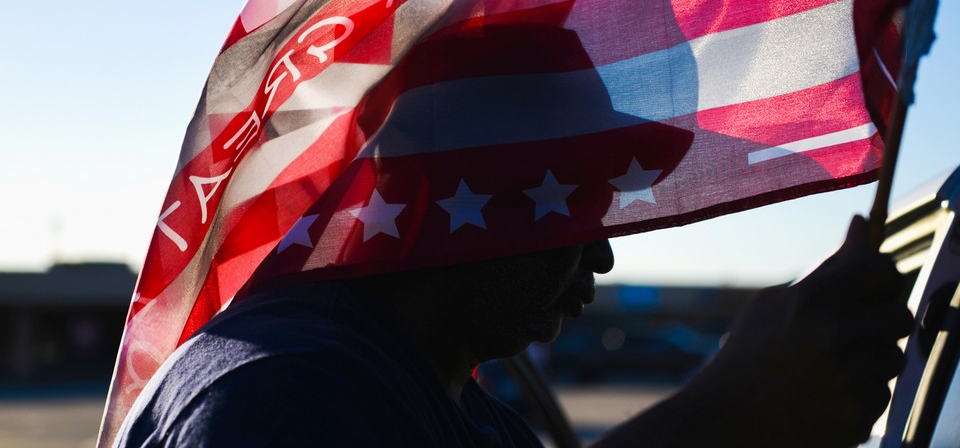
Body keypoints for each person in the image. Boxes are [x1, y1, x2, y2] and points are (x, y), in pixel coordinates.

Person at [115, 215, 912, 447]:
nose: (601, 254)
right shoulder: (284, 390)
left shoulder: (473, 415)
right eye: (574, 201)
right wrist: (725, 416)